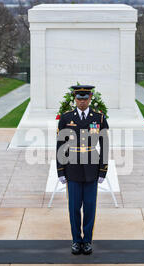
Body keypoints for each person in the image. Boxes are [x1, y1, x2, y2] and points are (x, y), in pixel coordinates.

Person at [56, 85, 109, 255]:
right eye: (79, 98)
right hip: (72, 168)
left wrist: (102, 171)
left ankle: (87, 241)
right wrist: (61, 170)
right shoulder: (66, 118)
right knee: (74, 208)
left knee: (90, 207)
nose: (82, 102)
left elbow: (104, 145)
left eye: (85, 99)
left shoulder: (99, 118)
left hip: (92, 168)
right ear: (74, 98)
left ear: (91, 98)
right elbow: (60, 145)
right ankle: (76, 240)